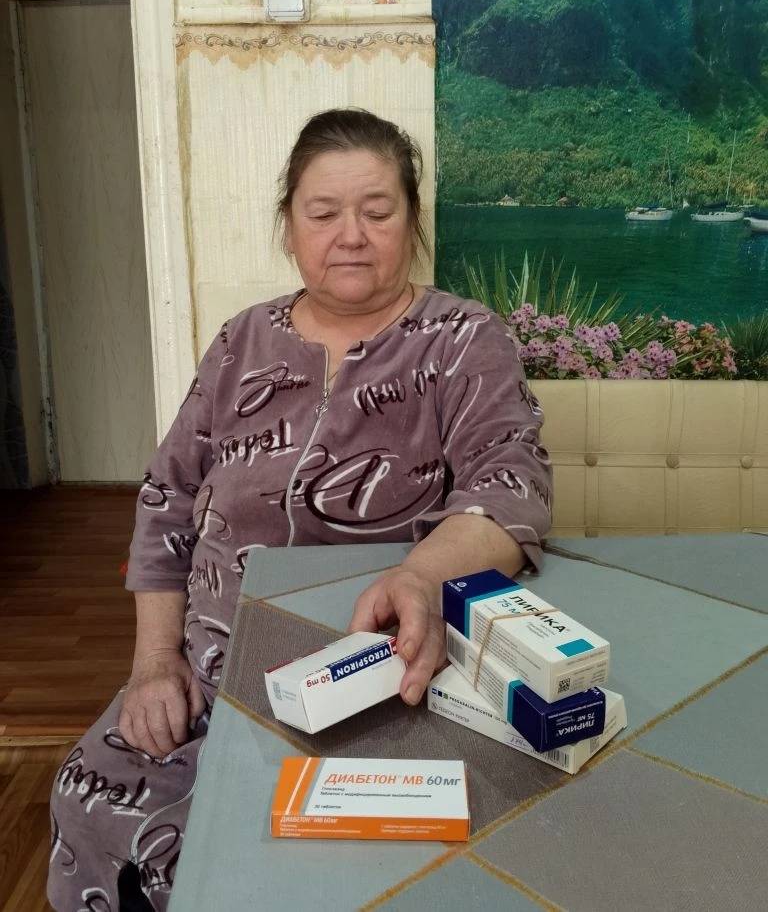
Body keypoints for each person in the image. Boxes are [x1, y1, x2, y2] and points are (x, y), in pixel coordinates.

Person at [48, 108, 552, 910]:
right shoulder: (242, 342)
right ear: (289, 227)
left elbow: (509, 486)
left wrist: (420, 577)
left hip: (373, 671)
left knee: (315, 857)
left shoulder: (463, 340)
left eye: (377, 211)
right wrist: (154, 663)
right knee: (93, 797)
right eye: (323, 214)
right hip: (210, 668)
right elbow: (165, 501)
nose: (351, 235)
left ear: (412, 222)